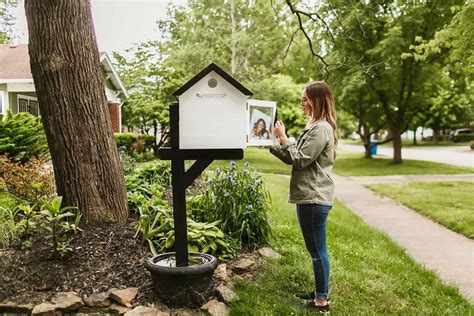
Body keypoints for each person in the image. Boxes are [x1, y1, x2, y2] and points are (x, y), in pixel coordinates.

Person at [270, 81, 337, 313]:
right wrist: (273, 144)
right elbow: (293, 155)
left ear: (317, 100)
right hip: (310, 196)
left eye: (305, 99)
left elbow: (300, 159)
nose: (301, 103)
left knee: (318, 251)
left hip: (314, 197)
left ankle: (321, 302)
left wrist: (284, 137)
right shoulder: (314, 126)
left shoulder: (321, 129)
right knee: (316, 249)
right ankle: (321, 291)